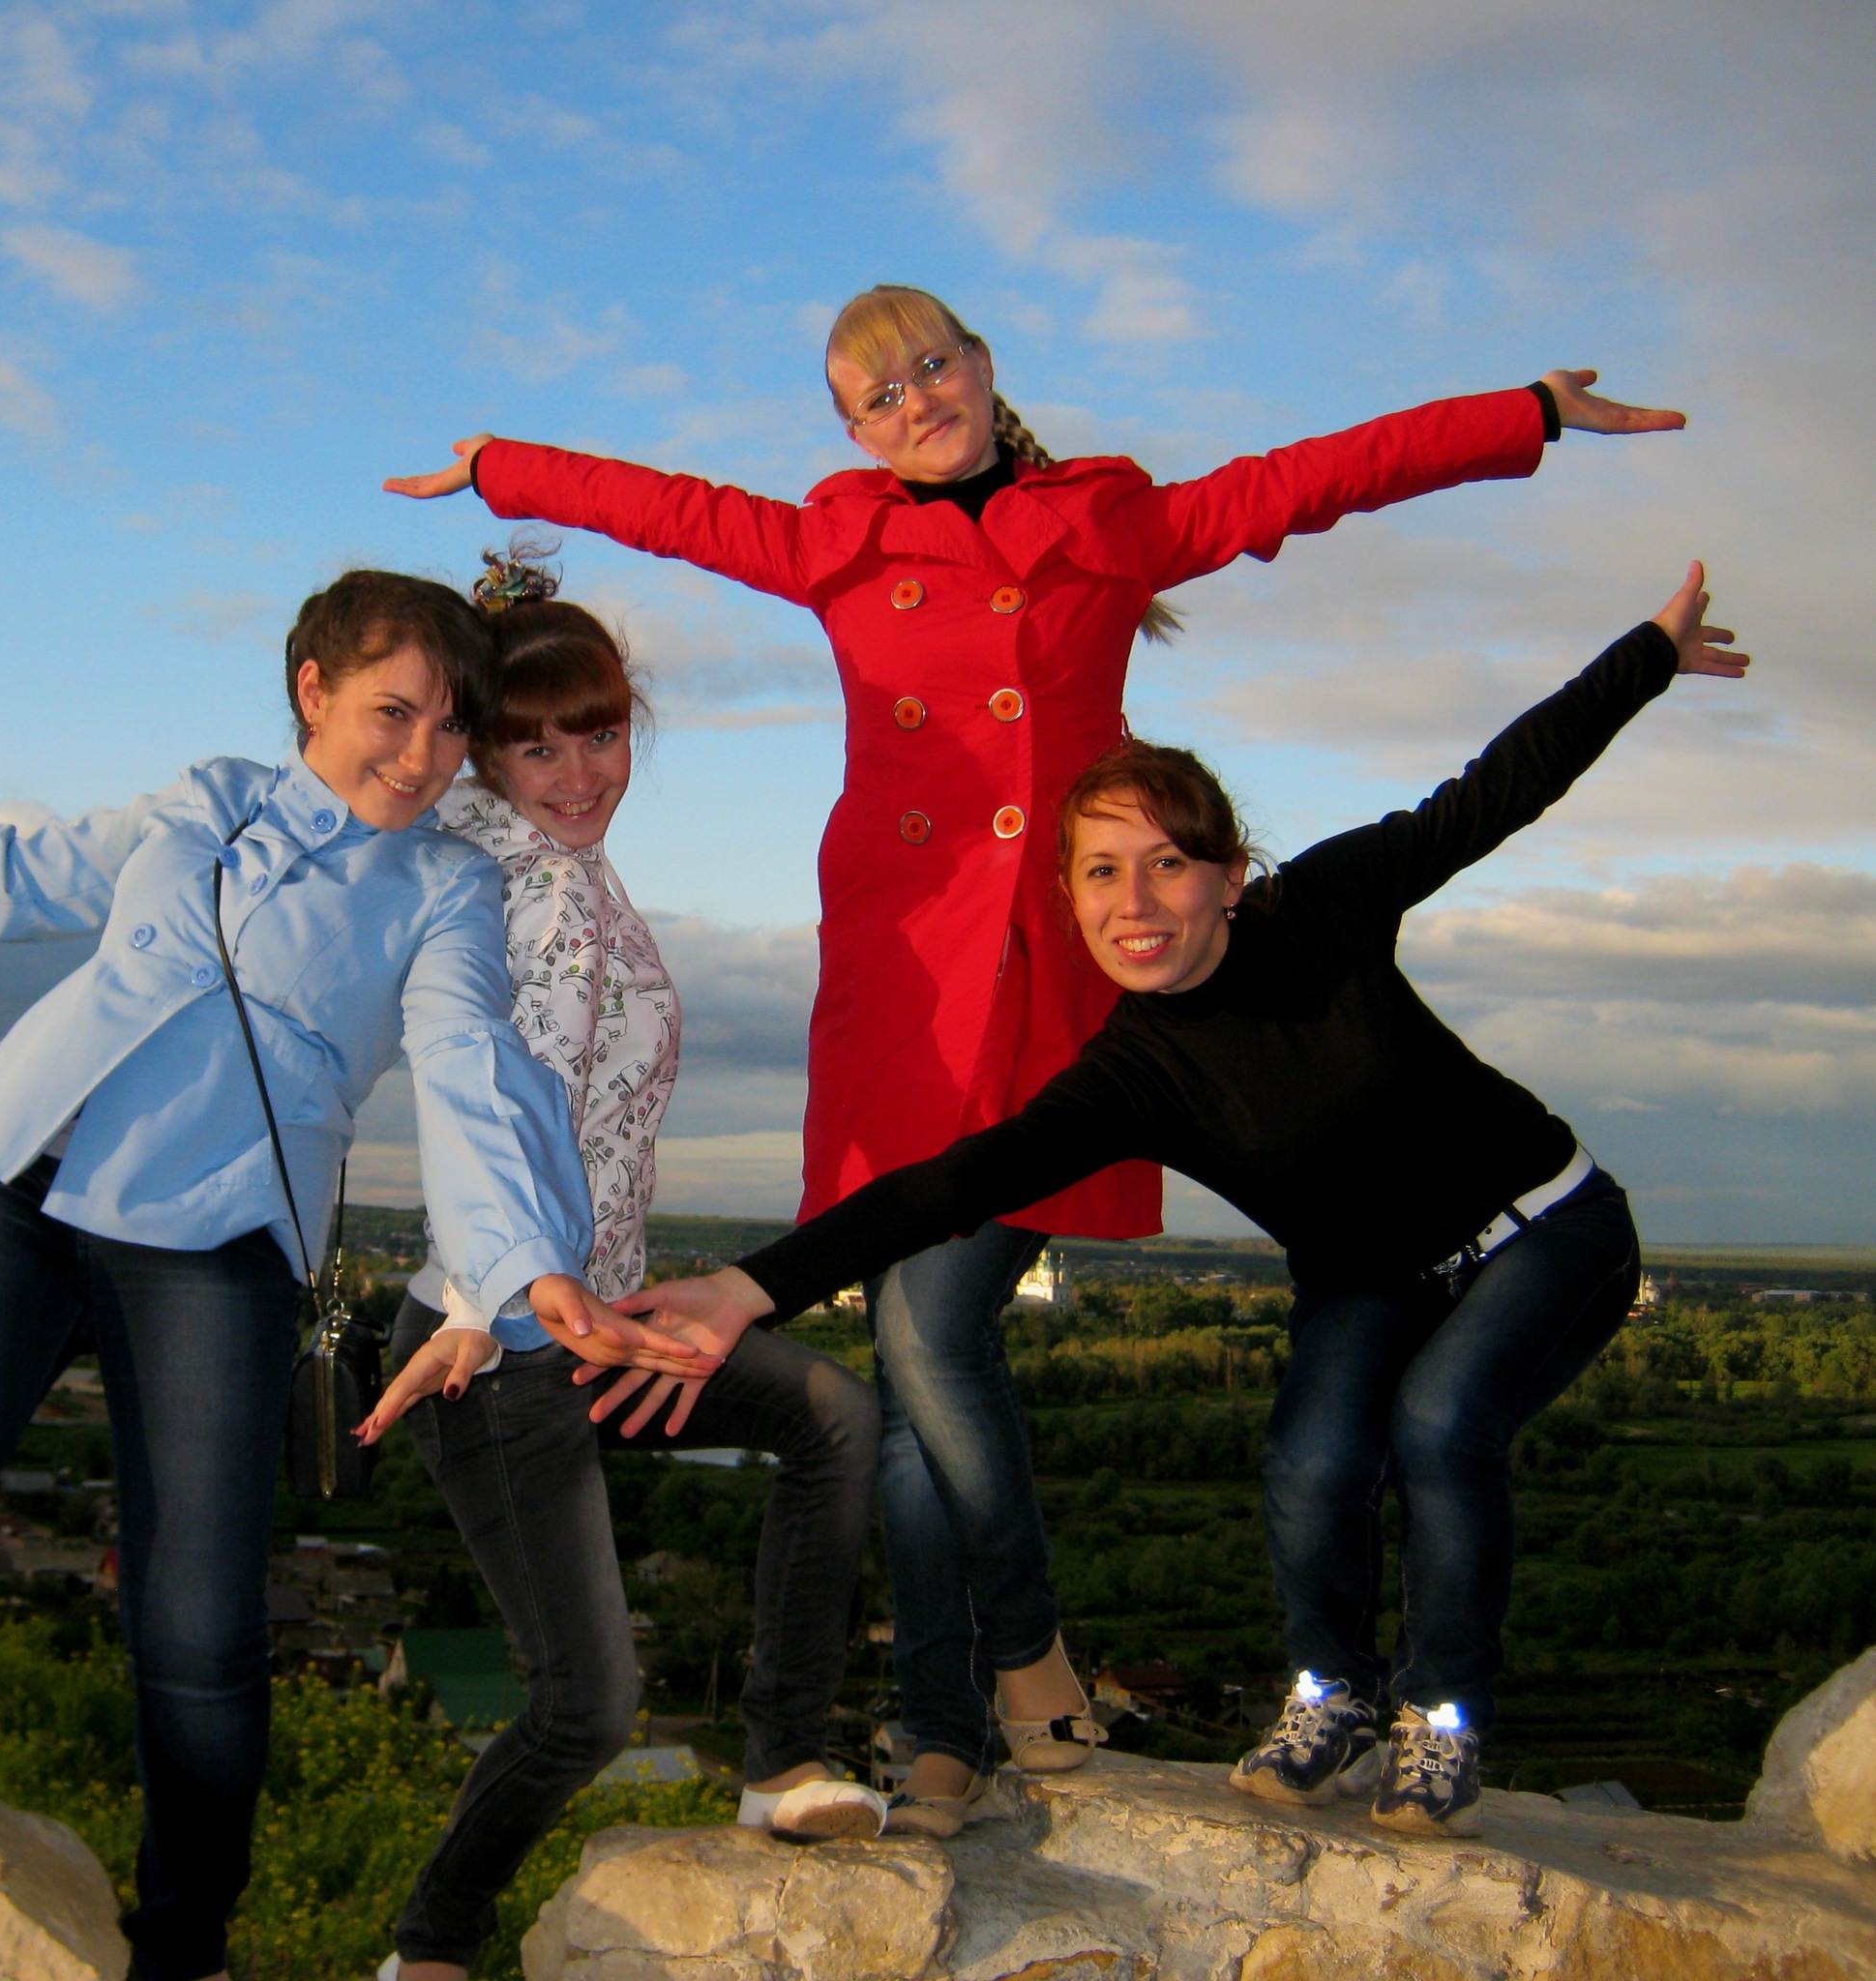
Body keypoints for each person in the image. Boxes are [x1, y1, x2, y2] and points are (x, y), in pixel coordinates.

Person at [384, 285, 1689, 1823]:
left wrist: (1525, 414)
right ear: (852, 429)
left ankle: (1019, 1661)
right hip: (902, 994)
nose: (912, 403)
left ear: (985, 369)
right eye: (874, 396)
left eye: (930, 367)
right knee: (917, 1355)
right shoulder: (837, 540)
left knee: (934, 1333)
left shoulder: (1109, 527)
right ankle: (945, 1731)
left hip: (1061, 997)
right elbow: (674, 513)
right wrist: (505, 467)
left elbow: (1306, 482)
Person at [0, 572, 706, 1981]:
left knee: (199, 1622)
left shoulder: (444, 888)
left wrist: (523, 1262)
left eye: (449, 726)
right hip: (28, 1185)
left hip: (220, 1244)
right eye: (393, 712)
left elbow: (471, 1064)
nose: (422, 755)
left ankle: (184, 1949)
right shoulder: (205, 805)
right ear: (312, 689)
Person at [598, 563, 1747, 1840]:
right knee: (1311, 1461)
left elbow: (1493, 791)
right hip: (1369, 1276)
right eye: (1100, 873)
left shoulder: (1323, 911)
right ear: (1071, 897)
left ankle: (1443, 1714)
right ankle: (1333, 1696)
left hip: (1541, 1227)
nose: (1134, 903)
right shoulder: (1131, 1077)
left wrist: (1648, 655)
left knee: (1437, 1426)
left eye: (1167, 864)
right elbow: (954, 1185)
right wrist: (750, 1287)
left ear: (1230, 875)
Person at [355, 550, 884, 1981]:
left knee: (832, 1418)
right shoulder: (503, 888)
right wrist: (492, 1301)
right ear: (486, 750)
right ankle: (431, 1950)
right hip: (493, 1342)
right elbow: (473, 1097)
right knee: (585, 1708)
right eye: (537, 746)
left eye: (599, 735)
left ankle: (780, 1764)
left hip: (600, 1318)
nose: (579, 773)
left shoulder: (572, 870)